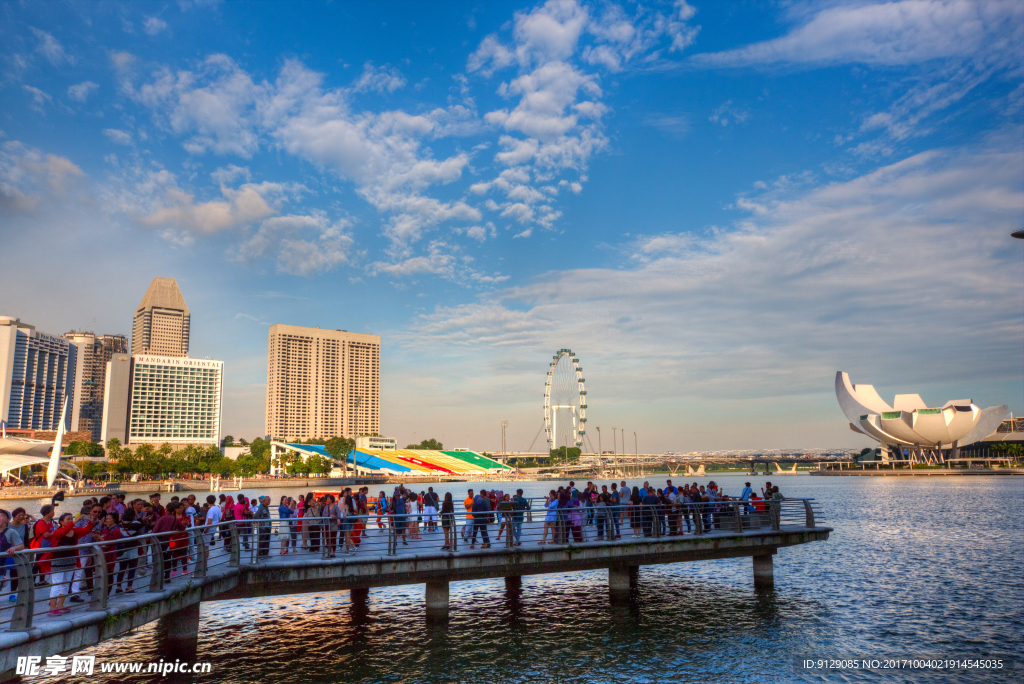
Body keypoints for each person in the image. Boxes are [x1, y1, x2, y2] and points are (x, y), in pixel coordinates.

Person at [47, 512, 97, 615]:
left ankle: (60, 605)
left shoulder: (74, 531)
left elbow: (86, 530)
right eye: (67, 519)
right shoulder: (58, 531)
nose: (70, 521)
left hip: (70, 561)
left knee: (65, 584)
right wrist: (75, 522)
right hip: (58, 561)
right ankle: (52, 607)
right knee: (56, 584)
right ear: (61, 522)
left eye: (71, 519)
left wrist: (91, 523)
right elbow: (63, 531)